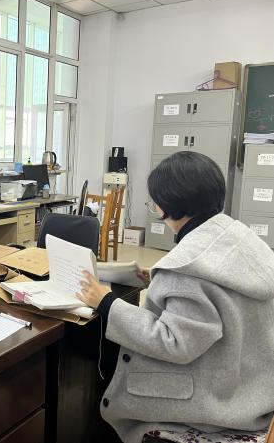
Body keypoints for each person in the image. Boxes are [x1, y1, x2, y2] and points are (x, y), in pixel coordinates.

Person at [77, 151, 274, 443]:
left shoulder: (186, 268)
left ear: (169, 205)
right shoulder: (239, 235)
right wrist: (163, 280)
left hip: (215, 407)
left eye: (155, 201)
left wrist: (105, 302)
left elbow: (174, 342)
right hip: (251, 392)